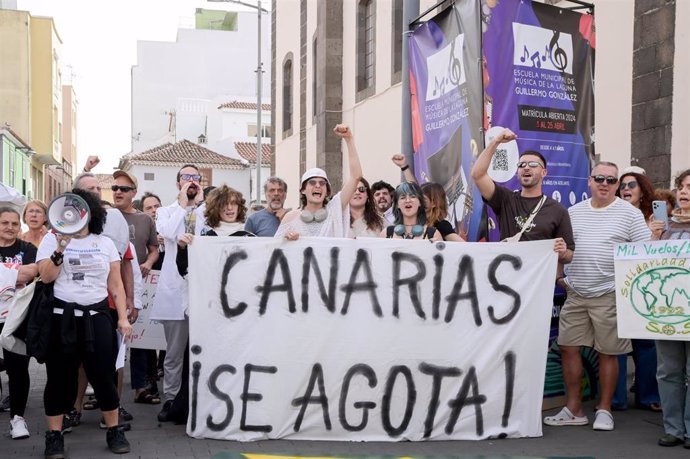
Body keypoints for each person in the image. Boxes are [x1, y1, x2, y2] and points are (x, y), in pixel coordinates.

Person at [544, 162, 651, 431]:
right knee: (568, 348)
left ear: (617, 185)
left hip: (610, 293)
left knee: (608, 353)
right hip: (576, 292)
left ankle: (605, 409)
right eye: (599, 178)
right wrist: (560, 279)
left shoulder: (630, 214)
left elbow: (644, 253)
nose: (605, 183)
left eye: (611, 180)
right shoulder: (574, 212)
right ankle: (574, 408)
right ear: (589, 181)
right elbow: (563, 248)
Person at [37, 188, 133, 457]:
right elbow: (45, 277)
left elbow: (116, 285)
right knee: (59, 379)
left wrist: (123, 319)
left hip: (98, 317)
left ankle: (114, 430)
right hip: (62, 318)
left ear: (90, 213)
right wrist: (61, 247)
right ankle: (54, 436)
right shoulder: (51, 239)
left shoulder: (105, 244)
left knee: (104, 376)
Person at [470, 128, 573, 261]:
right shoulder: (505, 199)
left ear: (544, 172)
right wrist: (496, 141)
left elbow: (569, 256)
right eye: (521, 164)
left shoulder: (558, 210)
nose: (526, 167)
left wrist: (563, 252)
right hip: (506, 278)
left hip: (538, 280)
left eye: (533, 164)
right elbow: (477, 175)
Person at [151, 164, 204, 422]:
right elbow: (168, 233)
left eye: (195, 177)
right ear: (178, 183)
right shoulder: (166, 211)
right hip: (175, 290)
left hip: (202, 290)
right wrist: (183, 204)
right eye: (186, 177)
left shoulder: (208, 210)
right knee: (173, 353)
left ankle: (198, 398)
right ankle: (171, 398)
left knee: (203, 348)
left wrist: (201, 206)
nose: (191, 181)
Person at [612, 171, 662, 412]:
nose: (625, 188)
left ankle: (648, 395)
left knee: (647, 345)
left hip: (647, 289)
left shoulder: (656, 216)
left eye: (631, 184)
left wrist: (656, 233)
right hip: (617, 288)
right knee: (617, 345)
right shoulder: (613, 214)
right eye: (622, 185)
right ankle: (616, 398)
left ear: (642, 189)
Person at [112, 171, 161, 407]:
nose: (118, 192)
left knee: (139, 340)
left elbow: (154, 249)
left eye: (123, 189)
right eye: (114, 188)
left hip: (138, 285)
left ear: (134, 193)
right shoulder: (103, 216)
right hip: (109, 288)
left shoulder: (145, 220)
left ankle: (141, 387)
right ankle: (101, 393)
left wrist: (149, 263)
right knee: (108, 343)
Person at [650, 169, 690, 447]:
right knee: (668, 370)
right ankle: (674, 428)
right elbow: (646, 264)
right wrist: (653, 237)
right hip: (667, 310)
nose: (685, 191)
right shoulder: (663, 226)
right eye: (682, 186)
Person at [276, 124, 362, 240]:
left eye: (322, 183)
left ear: (327, 191)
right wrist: (287, 240)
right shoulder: (291, 218)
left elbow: (356, 176)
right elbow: (274, 249)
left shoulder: (334, 210)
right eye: (312, 183)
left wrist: (349, 139)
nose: (318, 186)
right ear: (303, 190)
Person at [0, 207, 38, 439]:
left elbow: (31, 273)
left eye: (15, 224)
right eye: (5, 223)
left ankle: (18, 419)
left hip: (17, 318)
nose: (10, 227)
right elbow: (21, 274)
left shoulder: (28, 249)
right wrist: (15, 273)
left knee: (18, 369)